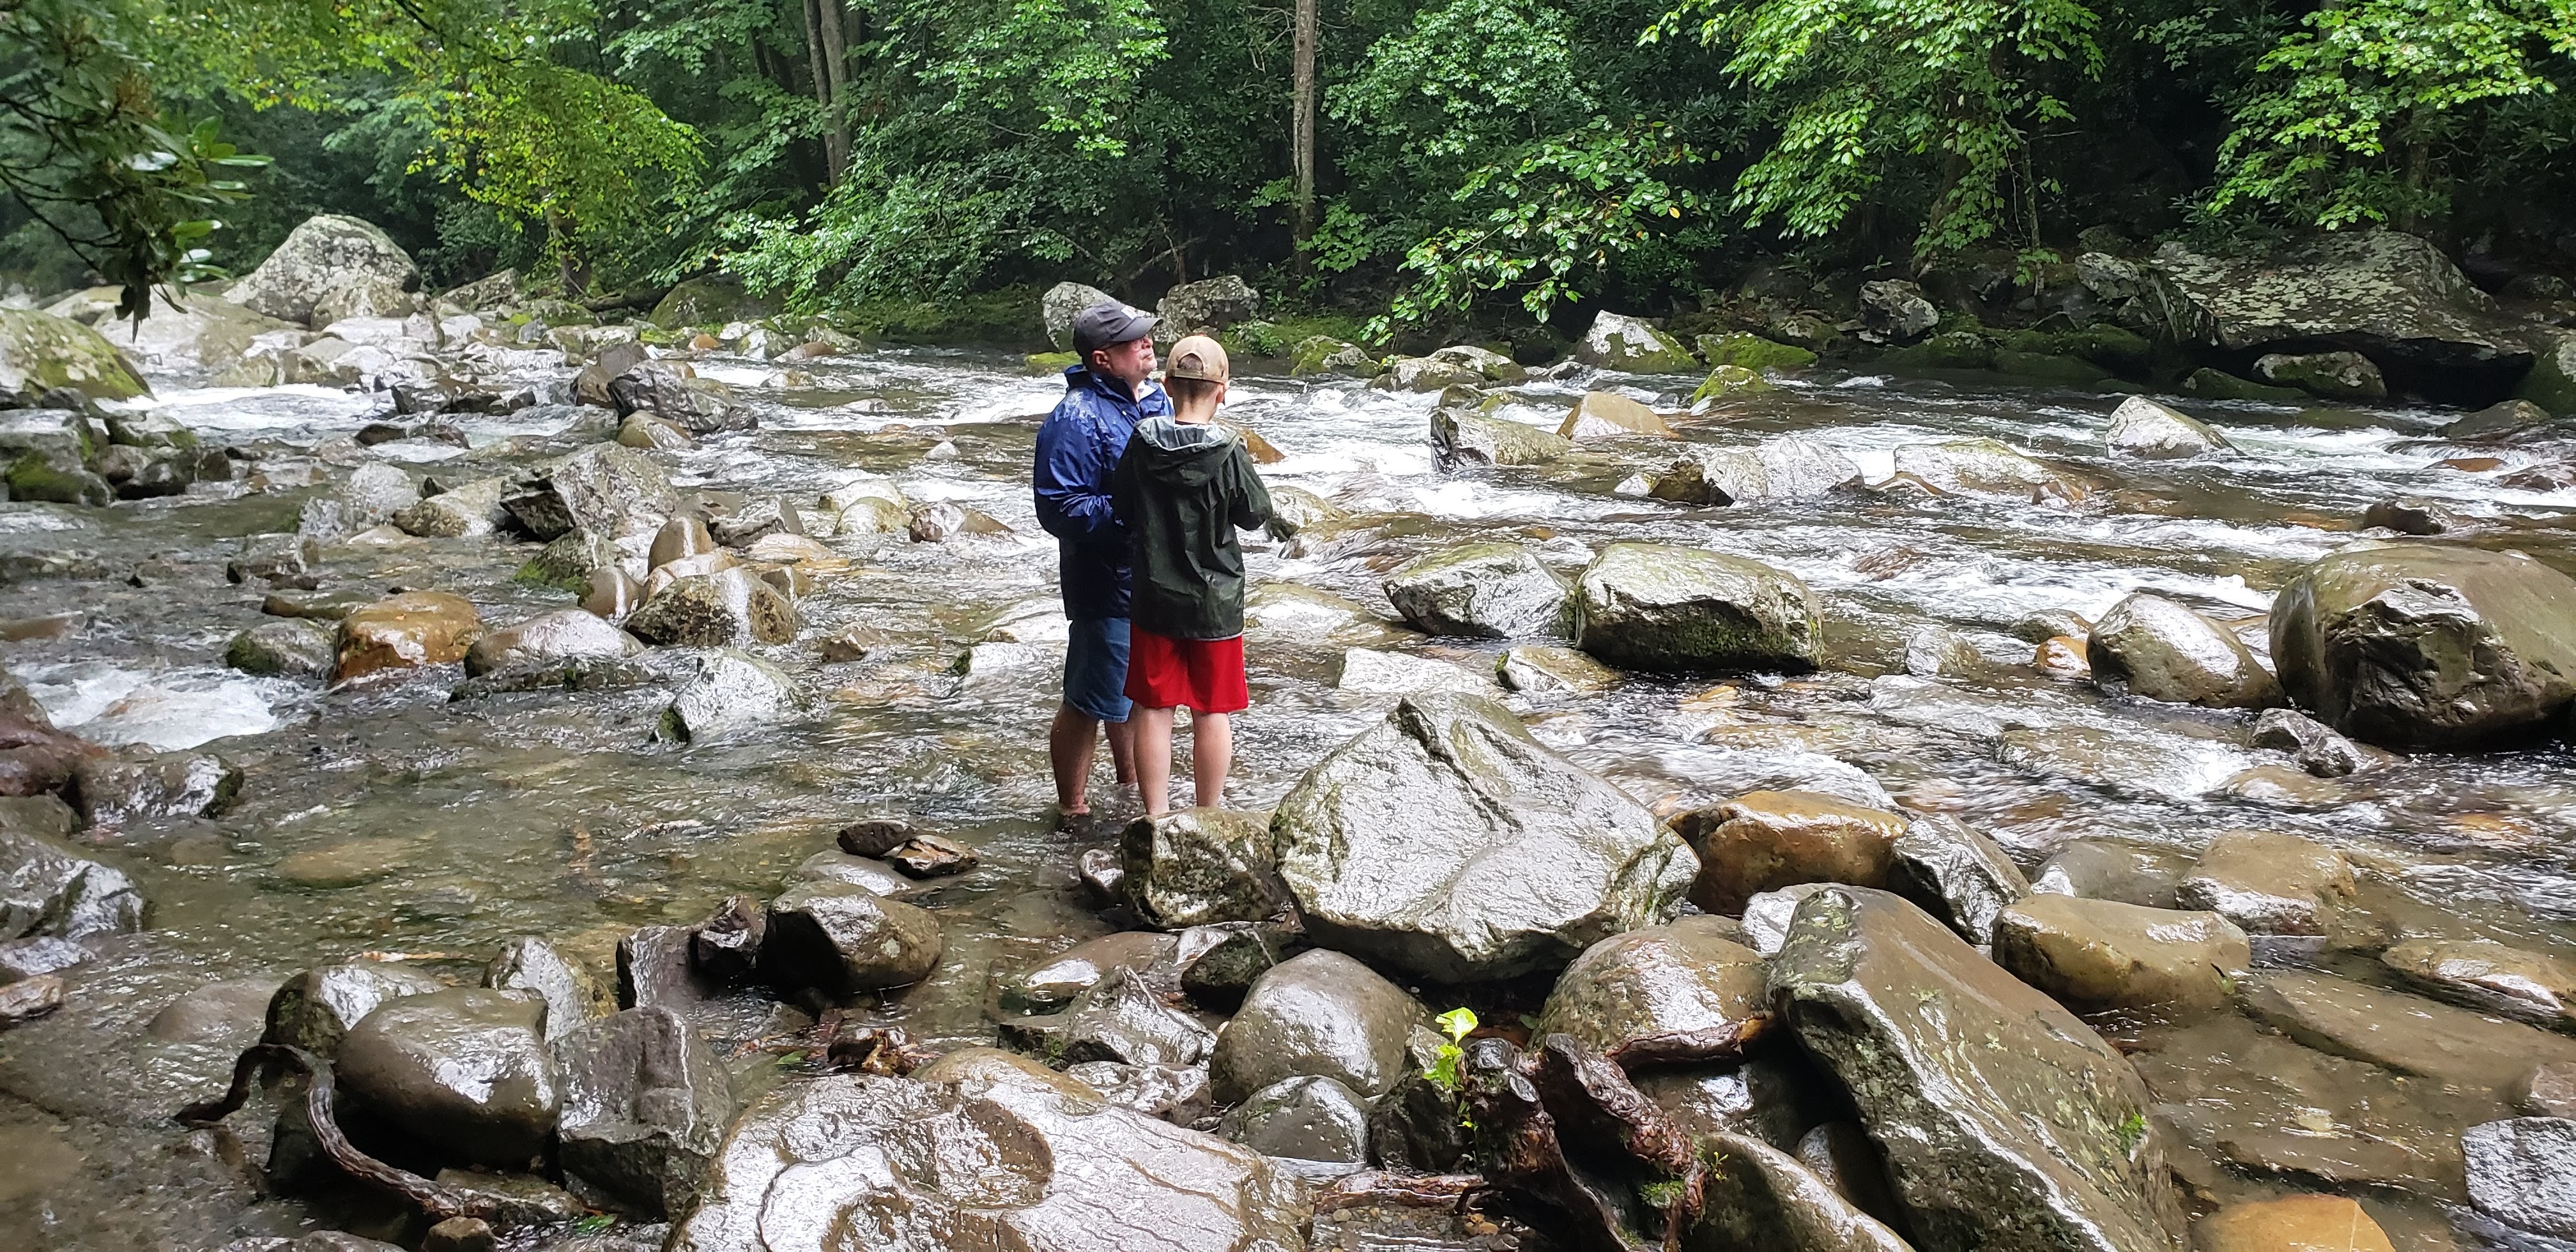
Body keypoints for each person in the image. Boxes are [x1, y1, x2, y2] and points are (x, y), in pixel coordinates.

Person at [1110, 335, 1283, 816]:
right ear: (1223, 390)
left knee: (1153, 707)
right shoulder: (1229, 450)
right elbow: (1255, 514)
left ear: (1166, 385)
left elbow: (1122, 506)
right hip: (1216, 602)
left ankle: (1156, 817)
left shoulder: (1142, 442)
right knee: (1212, 710)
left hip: (1154, 596)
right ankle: (1209, 815)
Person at [1034, 300, 1171, 821]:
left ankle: (1128, 787)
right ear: (1101, 359)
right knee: (1089, 699)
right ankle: (1072, 810)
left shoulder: (1155, 401)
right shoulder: (1075, 418)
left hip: (1151, 577)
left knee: (1137, 692)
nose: (1147, 344)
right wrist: (1132, 516)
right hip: (1103, 581)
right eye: (1134, 341)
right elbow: (1060, 508)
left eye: (1146, 336)